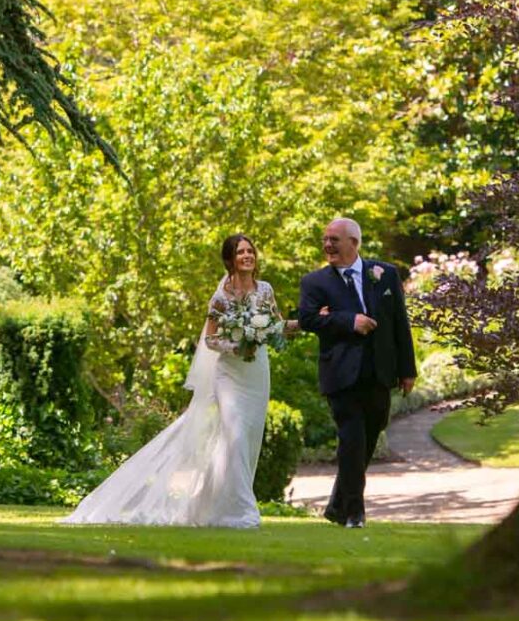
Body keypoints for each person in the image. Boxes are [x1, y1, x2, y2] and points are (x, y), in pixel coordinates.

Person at [63, 233, 297, 528]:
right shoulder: (221, 296)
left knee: (245, 443)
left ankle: (214, 508)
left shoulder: (265, 290)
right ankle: (242, 512)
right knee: (235, 436)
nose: (248, 256)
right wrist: (235, 345)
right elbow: (211, 339)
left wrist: (306, 322)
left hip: (256, 373)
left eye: (250, 251)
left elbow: (276, 325)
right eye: (241, 252)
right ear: (230, 259)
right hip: (229, 375)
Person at [297, 217, 417, 527]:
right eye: (324, 239)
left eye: (334, 239)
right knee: (351, 442)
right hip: (341, 375)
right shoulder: (315, 282)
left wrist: (407, 370)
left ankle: (337, 505)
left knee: (367, 439)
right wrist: (348, 320)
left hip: (379, 373)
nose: (327, 245)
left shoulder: (385, 274)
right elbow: (308, 319)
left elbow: (399, 325)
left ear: (354, 242)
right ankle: (354, 513)